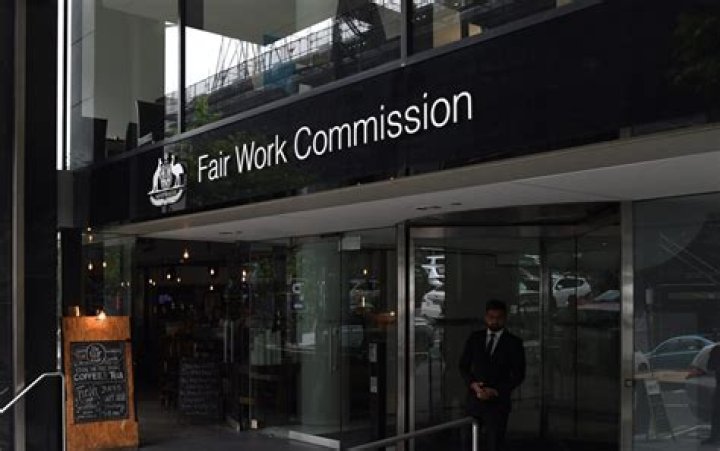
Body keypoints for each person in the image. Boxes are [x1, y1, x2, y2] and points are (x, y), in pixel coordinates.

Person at [459, 300, 526, 451]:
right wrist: (473, 384)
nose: (494, 321)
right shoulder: (475, 338)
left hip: (498, 403)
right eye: (491, 317)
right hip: (474, 400)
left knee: (494, 443)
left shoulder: (514, 343)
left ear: (505, 318)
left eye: (498, 317)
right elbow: (463, 366)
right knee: (468, 441)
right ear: (486, 317)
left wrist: (496, 391)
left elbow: (519, 374)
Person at [703, 344, 720, 445]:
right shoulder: (716, 350)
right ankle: (714, 437)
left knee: (716, 413)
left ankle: (714, 437)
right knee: (716, 413)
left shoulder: (716, 350)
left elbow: (709, 367)